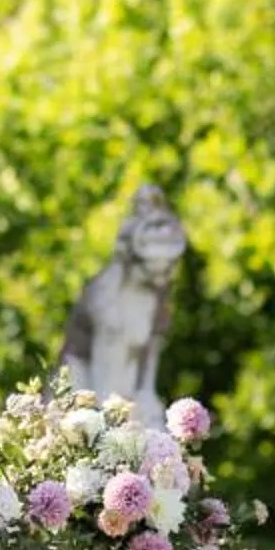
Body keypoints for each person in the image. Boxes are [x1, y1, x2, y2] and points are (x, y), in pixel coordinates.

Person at [57, 185, 187, 432]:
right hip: (86, 380)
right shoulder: (107, 294)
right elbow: (103, 375)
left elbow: (150, 351)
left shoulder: (156, 298)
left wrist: (145, 399)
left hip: (127, 392)